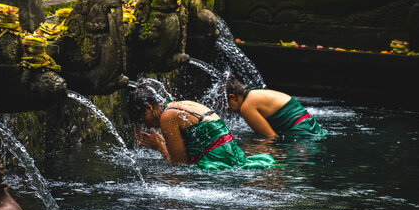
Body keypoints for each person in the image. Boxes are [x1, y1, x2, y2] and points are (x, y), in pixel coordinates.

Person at [128, 78, 275, 170]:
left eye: (143, 120)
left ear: (149, 108)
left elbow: (180, 164)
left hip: (217, 160)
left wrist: (159, 145)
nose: (148, 127)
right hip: (233, 154)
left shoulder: (168, 116)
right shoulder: (178, 105)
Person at [226, 74, 327, 138]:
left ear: (233, 97)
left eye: (224, 104)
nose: (227, 110)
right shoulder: (255, 93)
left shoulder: (247, 107)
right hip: (312, 126)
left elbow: (270, 137)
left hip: (301, 135)